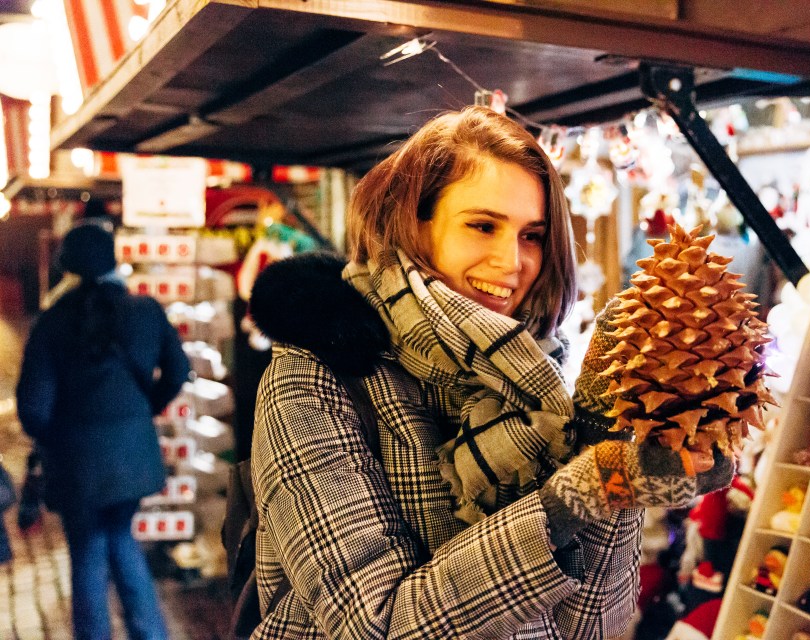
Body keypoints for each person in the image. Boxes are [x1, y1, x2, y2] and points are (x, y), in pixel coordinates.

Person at [247, 105, 734, 638]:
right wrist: (584, 488)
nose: (512, 262)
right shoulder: (316, 377)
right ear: (415, 223)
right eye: (483, 226)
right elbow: (374, 627)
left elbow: (592, 628)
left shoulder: (539, 381)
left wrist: (607, 446)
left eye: (532, 235)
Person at [16, 219, 190, 640]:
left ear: (67, 266)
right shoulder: (145, 311)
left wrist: (51, 438)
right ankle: (150, 633)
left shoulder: (52, 323)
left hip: (76, 465)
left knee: (88, 552)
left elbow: (33, 407)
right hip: (134, 459)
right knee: (120, 537)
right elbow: (178, 370)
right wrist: (146, 407)